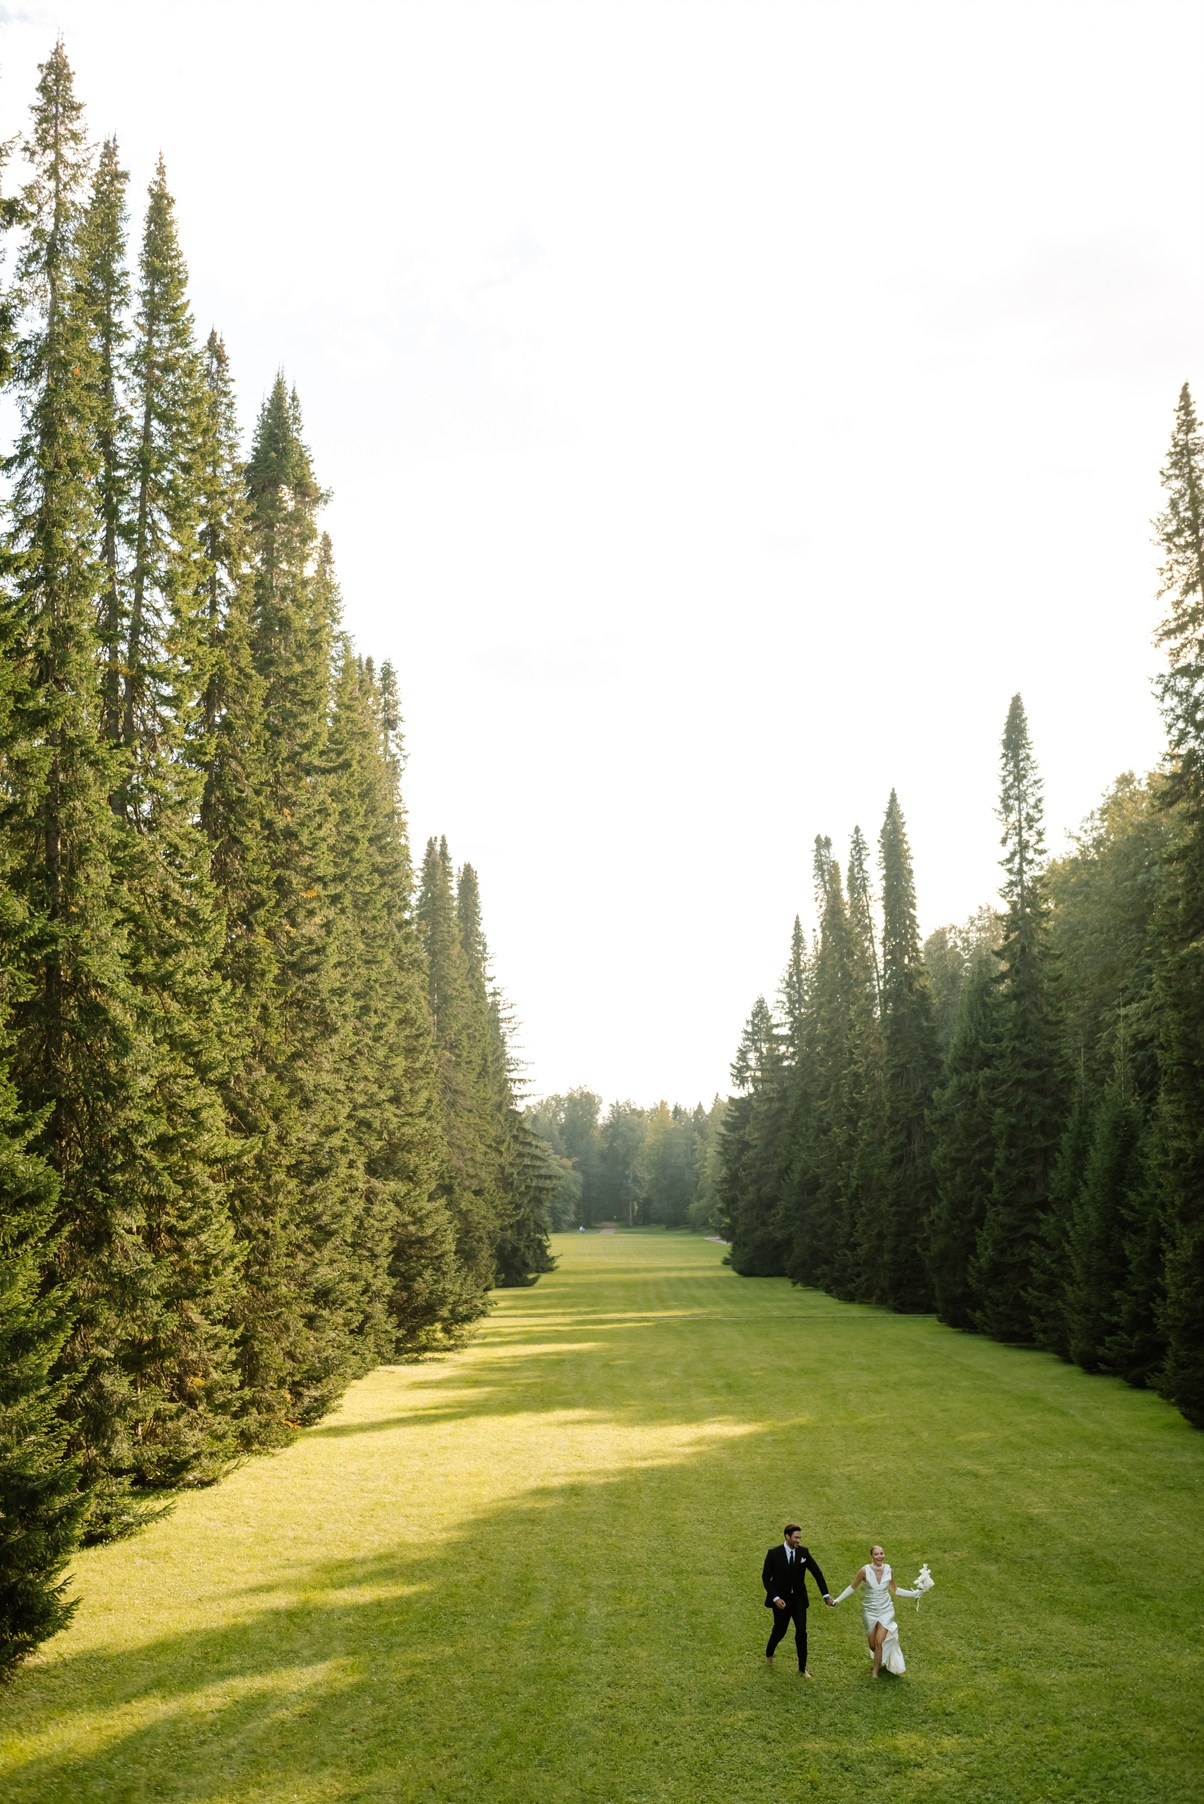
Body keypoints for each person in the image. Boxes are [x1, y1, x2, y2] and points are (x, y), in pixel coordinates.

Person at [830, 1543, 922, 1677]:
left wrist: (913, 1594)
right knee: (873, 1645)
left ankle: (875, 1671)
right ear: (871, 1556)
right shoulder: (864, 1571)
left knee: (879, 1642)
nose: (879, 1556)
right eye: (876, 1554)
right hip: (870, 1611)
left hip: (886, 1610)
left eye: (881, 1553)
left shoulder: (889, 1570)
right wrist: (837, 1600)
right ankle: (882, 1658)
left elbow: (895, 1590)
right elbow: (852, 1587)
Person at [761, 1523, 834, 1676]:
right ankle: (769, 1654)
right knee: (780, 1631)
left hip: (799, 1600)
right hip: (781, 1601)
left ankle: (802, 1668)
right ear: (787, 1536)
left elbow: (817, 1573)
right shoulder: (774, 1553)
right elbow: (766, 1578)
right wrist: (775, 1598)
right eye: (796, 1538)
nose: (798, 1541)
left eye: (800, 1538)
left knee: (801, 1632)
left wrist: (825, 1595)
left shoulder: (803, 1552)